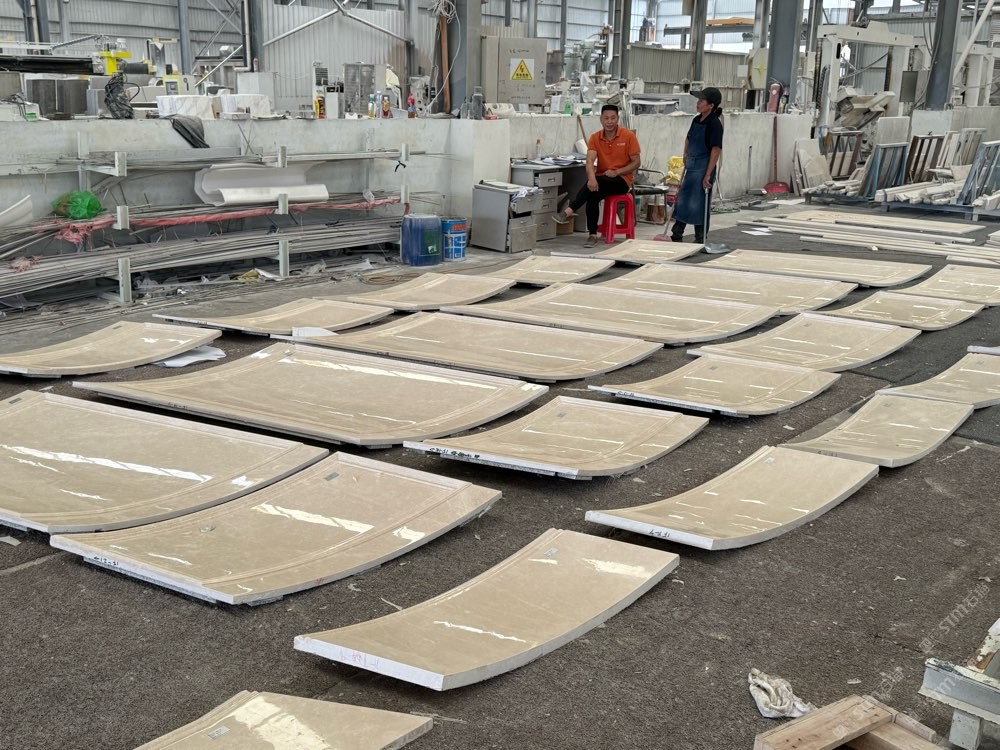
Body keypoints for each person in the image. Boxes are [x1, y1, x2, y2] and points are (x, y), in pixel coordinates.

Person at [557, 103, 641, 247]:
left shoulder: (628, 136)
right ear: (601, 119)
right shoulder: (595, 137)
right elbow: (589, 160)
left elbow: (637, 162)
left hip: (622, 181)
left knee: (598, 183)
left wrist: (617, 172)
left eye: (613, 118)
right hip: (602, 179)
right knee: (592, 194)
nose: (609, 122)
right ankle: (592, 235)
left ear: (618, 119)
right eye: (606, 118)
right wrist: (591, 178)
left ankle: (570, 210)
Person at [671, 87, 724, 243]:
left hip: (704, 166)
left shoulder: (714, 124)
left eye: (702, 101)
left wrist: (708, 174)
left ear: (711, 105)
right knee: (683, 199)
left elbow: (716, 150)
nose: (698, 103)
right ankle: (677, 233)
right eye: (698, 100)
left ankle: (700, 238)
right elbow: (688, 138)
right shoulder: (696, 120)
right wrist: (685, 155)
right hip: (692, 165)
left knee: (699, 202)